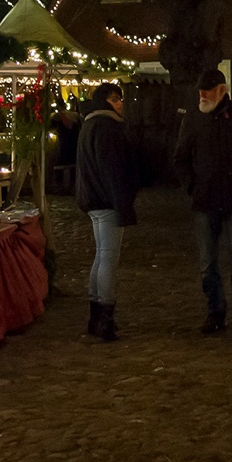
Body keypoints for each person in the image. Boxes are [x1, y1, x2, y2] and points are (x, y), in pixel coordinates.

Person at [172, 68, 232, 333]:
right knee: (207, 263)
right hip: (205, 201)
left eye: (207, 91)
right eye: (200, 92)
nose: (202, 96)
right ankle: (215, 311)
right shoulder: (194, 119)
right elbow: (180, 157)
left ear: (222, 90)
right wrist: (193, 187)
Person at [75, 81, 138, 342]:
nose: (120, 103)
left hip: (93, 199)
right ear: (105, 101)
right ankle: (105, 318)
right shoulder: (107, 128)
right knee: (108, 258)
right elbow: (113, 170)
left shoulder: (89, 125)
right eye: (115, 99)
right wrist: (123, 204)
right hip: (106, 200)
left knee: (101, 256)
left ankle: (95, 316)